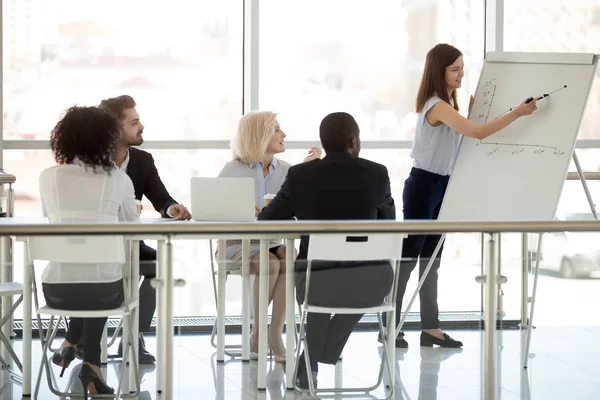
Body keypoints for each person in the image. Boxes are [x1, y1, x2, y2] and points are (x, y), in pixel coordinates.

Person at [385, 43, 538, 348]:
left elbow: (462, 141)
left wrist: (467, 115)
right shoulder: (437, 105)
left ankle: (431, 329)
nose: (461, 74)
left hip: (442, 185)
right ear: (438, 71)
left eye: (462, 67)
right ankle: (389, 325)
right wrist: (518, 113)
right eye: (455, 69)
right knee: (410, 259)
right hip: (424, 185)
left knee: (432, 260)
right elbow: (478, 133)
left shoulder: (448, 107)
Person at [258, 112, 396, 390]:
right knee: (357, 284)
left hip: (315, 282)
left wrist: (300, 213)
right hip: (369, 283)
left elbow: (267, 220)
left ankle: (309, 362)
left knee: (319, 283)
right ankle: (315, 358)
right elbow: (389, 225)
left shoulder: (300, 175)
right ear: (353, 141)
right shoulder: (377, 173)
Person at [73, 94, 191, 364]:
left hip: (128, 244)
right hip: (94, 245)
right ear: (114, 127)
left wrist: (172, 209)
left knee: (158, 263)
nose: (141, 126)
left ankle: (134, 334)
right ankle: (85, 337)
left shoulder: (143, 160)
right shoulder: (86, 162)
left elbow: (162, 200)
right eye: (134, 121)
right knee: (91, 268)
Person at [39, 105, 139, 395]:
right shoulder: (118, 178)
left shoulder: (48, 177)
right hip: (105, 289)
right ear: (105, 139)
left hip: (56, 290)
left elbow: (52, 218)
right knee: (101, 277)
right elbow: (133, 225)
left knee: (84, 272)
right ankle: (91, 365)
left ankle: (76, 350)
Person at [217, 111, 321, 362]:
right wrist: (240, 211)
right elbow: (213, 210)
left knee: (288, 256)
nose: (283, 134)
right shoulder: (232, 169)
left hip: (274, 241)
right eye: (276, 129)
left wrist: (308, 172)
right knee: (270, 262)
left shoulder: (287, 170)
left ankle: (272, 332)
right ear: (260, 135)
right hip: (237, 244)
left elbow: (301, 211)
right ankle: (259, 330)